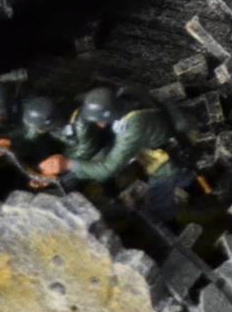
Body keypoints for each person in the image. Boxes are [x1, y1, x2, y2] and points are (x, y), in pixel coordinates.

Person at [37, 86, 189, 219]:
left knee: (159, 206)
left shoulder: (132, 128)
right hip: (154, 141)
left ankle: (171, 216)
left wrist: (68, 164)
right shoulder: (123, 98)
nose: (99, 125)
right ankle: (184, 180)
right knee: (102, 157)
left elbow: (108, 169)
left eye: (99, 120)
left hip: (165, 162)